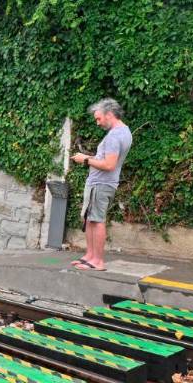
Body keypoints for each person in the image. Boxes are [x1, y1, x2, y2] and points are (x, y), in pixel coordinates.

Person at [70, 98, 132, 271]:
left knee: (96, 220)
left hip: (101, 183)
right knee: (90, 219)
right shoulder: (124, 131)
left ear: (109, 114)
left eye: (99, 118)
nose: (97, 123)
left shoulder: (114, 136)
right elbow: (108, 160)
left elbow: (109, 165)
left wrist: (85, 159)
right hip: (101, 183)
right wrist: (93, 158)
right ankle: (90, 256)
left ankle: (97, 260)